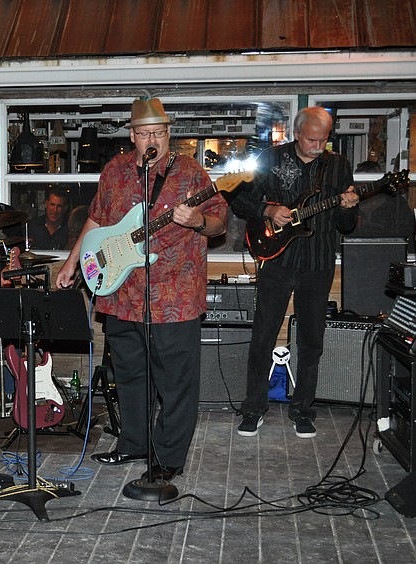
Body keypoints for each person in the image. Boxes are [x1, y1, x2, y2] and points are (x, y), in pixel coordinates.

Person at [56, 98, 227, 484]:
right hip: (121, 291)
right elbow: (97, 220)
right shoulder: (115, 170)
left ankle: (168, 458)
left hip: (174, 296)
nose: (154, 139)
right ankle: (134, 442)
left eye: (160, 133)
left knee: (175, 382)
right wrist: (72, 263)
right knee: (130, 375)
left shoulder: (189, 172)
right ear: (132, 135)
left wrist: (198, 219)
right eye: (146, 133)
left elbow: (219, 225)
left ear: (169, 134)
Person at [230, 106, 358, 439]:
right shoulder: (271, 158)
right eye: (312, 139)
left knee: (312, 339)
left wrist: (348, 208)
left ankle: (302, 409)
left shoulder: (339, 165)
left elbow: (346, 226)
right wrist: (268, 209)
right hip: (276, 260)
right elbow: (238, 200)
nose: (319, 146)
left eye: (324, 139)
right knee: (263, 334)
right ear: (296, 133)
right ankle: (254, 408)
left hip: (318, 262)